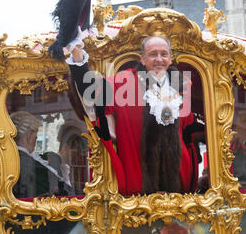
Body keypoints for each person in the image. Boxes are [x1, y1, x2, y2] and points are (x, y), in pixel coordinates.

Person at [66, 34, 199, 196]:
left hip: (180, 192)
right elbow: (92, 93)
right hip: (137, 189)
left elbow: (189, 132)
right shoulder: (123, 82)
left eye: (164, 54)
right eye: (153, 54)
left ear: (170, 59)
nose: (159, 59)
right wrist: (78, 57)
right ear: (143, 59)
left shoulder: (182, 86)